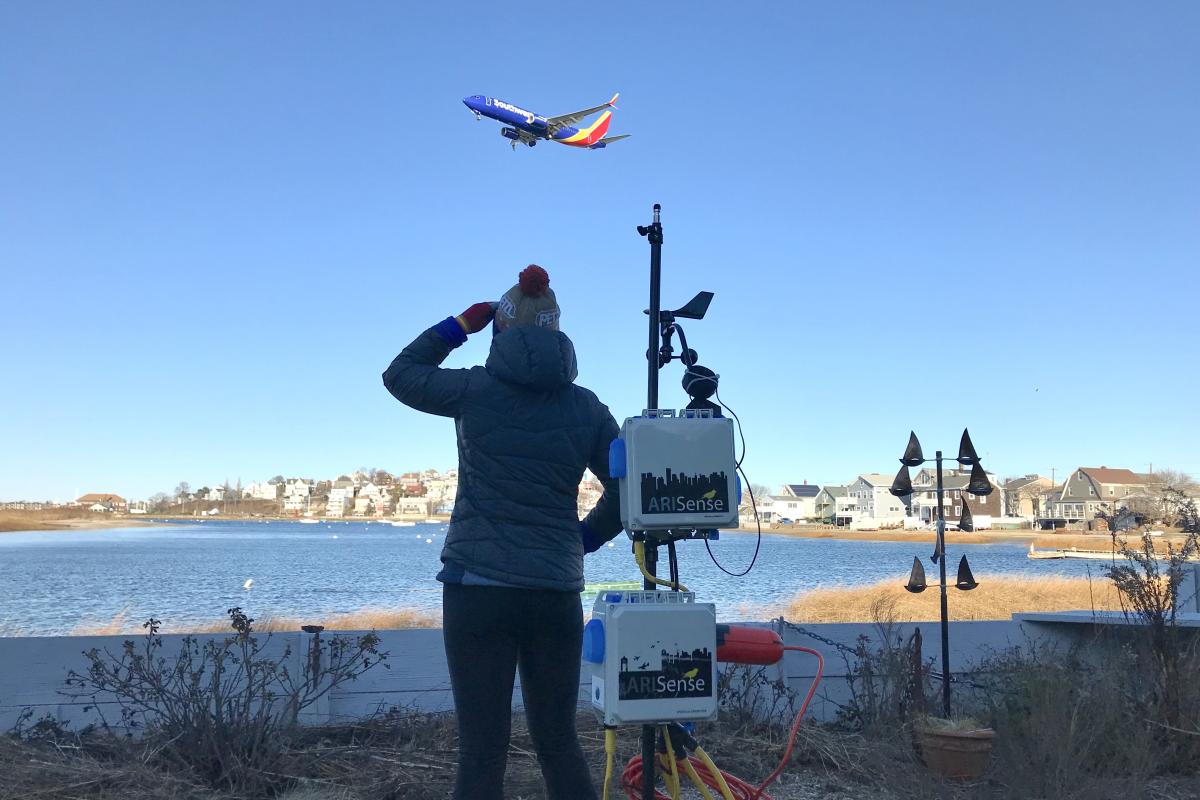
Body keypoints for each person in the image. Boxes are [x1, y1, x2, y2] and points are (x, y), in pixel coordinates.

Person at [382, 264, 623, 799]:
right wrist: (581, 540)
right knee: (559, 740)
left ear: (500, 331)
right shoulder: (586, 408)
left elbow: (399, 375)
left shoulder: (475, 388)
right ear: (559, 334)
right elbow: (627, 491)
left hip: (478, 589)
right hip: (555, 591)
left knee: (482, 749)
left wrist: (457, 326)